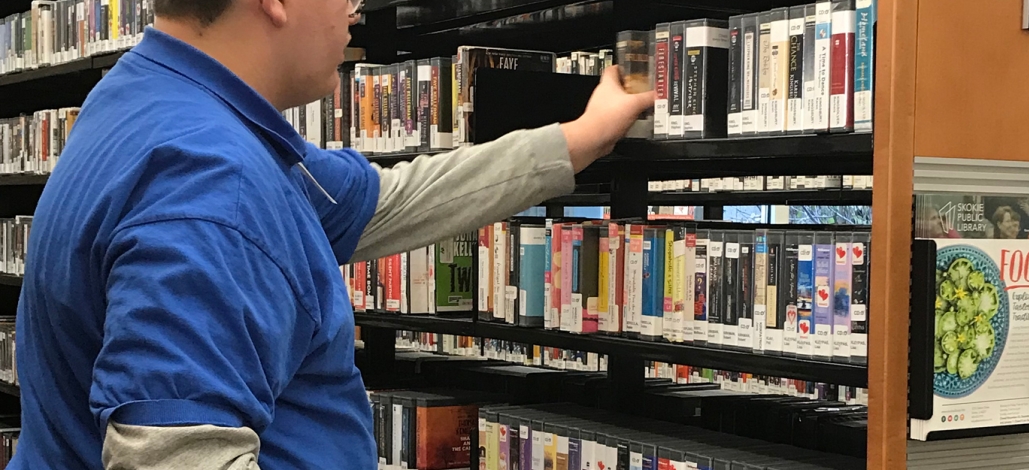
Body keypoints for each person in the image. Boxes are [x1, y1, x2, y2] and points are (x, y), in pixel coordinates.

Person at [10, 0, 654, 468]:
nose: (357, 8)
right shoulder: (211, 184)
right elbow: (172, 455)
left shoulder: (150, 96)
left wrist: (580, 139)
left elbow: (386, 202)